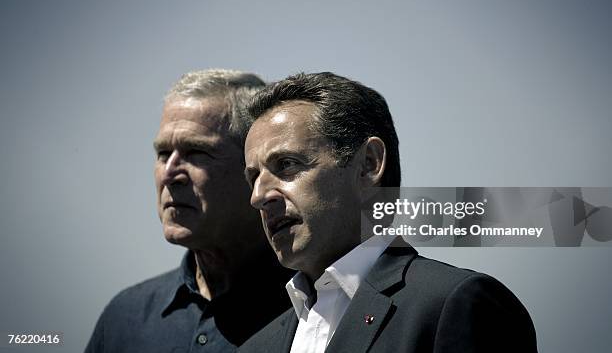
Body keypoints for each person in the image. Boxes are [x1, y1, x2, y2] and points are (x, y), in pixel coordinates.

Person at [240, 72, 537, 352]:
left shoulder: (455, 305)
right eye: (253, 178)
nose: (259, 196)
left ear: (369, 164)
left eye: (287, 164)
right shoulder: (255, 347)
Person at [85, 69, 291, 353]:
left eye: (196, 152)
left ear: (254, 168)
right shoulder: (125, 317)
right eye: (162, 154)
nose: (170, 174)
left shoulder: (316, 306)